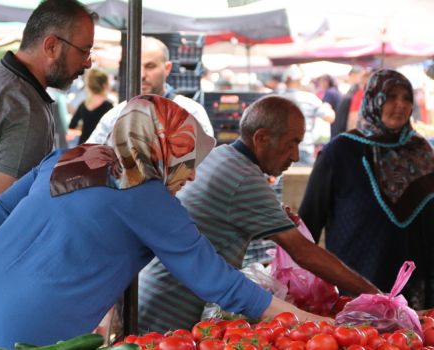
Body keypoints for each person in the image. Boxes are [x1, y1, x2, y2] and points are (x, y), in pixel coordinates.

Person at [0, 95, 329, 349]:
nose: (190, 176)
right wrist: (313, 322)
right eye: (185, 160)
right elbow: (222, 284)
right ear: (161, 146)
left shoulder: (69, 156)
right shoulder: (147, 197)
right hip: (26, 321)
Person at [138, 95, 380, 332]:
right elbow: (304, 252)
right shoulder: (243, 177)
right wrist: (376, 296)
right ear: (261, 138)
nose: (296, 155)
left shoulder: (223, 156)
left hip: (159, 295)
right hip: (167, 310)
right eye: (291, 144)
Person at [0, 0, 98, 280]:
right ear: (51, 46)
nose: (87, 62)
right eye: (83, 51)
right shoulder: (26, 108)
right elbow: (2, 213)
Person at [299, 69, 434, 309]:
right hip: (357, 282)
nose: (400, 105)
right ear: (373, 100)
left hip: (417, 286)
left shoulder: (422, 151)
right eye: (391, 96)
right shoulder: (340, 152)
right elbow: (309, 222)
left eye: (406, 98)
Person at [86, 36, 214, 144]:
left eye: (150, 66)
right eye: (136, 66)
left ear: (167, 68)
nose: (141, 75)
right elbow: (90, 159)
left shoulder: (190, 112)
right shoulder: (115, 116)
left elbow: (205, 163)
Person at [279, 64, 334, 165]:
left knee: (284, 180)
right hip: (304, 148)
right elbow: (329, 117)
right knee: (306, 180)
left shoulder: (274, 99)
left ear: (286, 81)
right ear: (299, 80)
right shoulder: (310, 99)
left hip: (280, 149)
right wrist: (328, 107)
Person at [68, 68, 113, 144]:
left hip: (84, 147)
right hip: (100, 148)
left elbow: (72, 125)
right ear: (105, 85)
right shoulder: (108, 106)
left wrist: (83, 126)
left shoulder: (83, 105)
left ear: (89, 85)